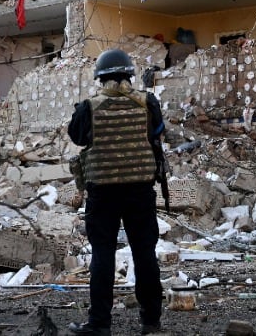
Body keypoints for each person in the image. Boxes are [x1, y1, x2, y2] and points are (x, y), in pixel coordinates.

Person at [67, 49, 166, 336]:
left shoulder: (89, 107)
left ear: (100, 79)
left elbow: (76, 137)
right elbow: (157, 133)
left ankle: (99, 323)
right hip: (140, 191)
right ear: (129, 76)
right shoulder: (148, 103)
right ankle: (151, 321)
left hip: (103, 193)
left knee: (102, 255)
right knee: (144, 254)